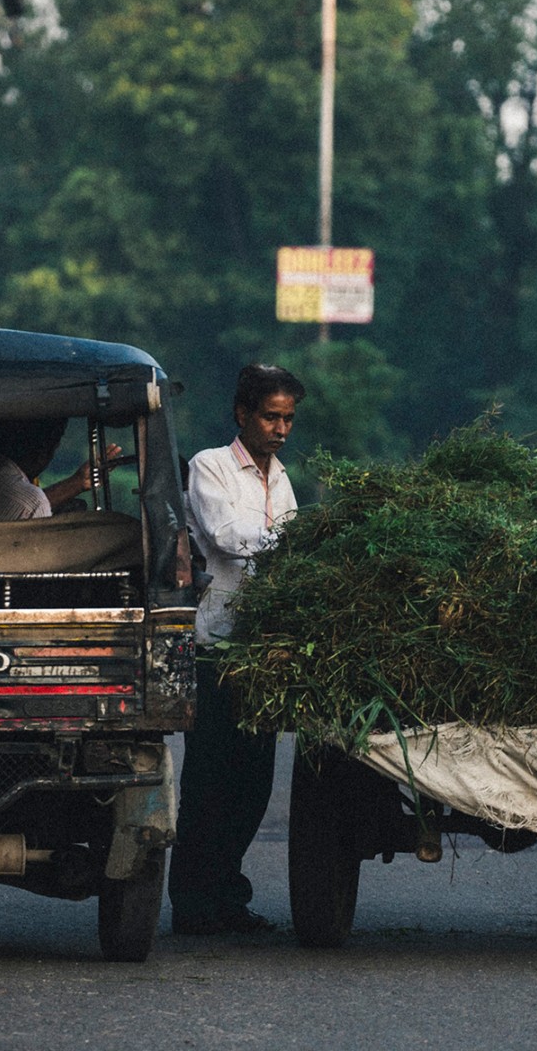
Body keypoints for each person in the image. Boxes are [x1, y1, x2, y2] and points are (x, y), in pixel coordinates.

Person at [169, 363, 305, 936]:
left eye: (288, 419)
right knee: (209, 780)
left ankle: (227, 896)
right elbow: (226, 538)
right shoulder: (211, 467)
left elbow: (288, 546)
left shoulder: (281, 479)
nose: (280, 429)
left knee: (252, 785)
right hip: (217, 645)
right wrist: (296, 541)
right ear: (243, 415)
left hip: (263, 648)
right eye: (271, 417)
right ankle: (193, 904)